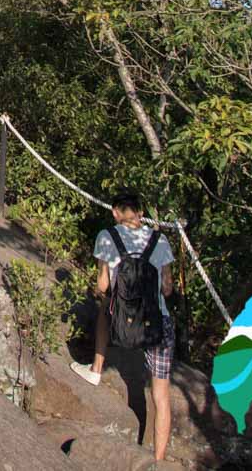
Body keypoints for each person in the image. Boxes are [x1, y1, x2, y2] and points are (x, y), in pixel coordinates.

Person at [72, 189, 176, 463]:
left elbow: (103, 286)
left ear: (115, 212)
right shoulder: (160, 239)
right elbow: (167, 289)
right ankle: (159, 460)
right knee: (160, 394)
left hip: (122, 322)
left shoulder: (108, 236)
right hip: (157, 325)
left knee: (105, 310)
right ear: (141, 213)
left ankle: (96, 369)